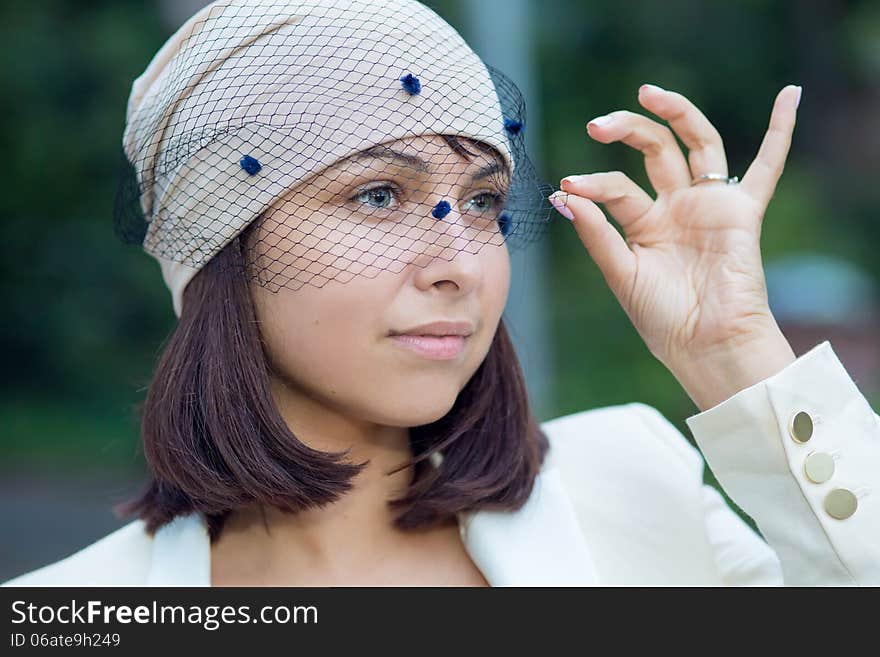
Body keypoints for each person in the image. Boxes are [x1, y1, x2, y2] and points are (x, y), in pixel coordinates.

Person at [4, 0, 879, 587]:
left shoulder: (631, 488)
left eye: (485, 201)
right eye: (377, 194)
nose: (460, 260)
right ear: (218, 247)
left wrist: (735, 356)